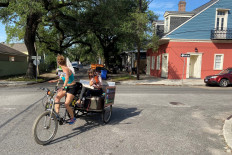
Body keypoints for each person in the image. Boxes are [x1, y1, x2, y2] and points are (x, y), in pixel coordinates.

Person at [49, 55, 78, 124]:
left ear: (58, 63)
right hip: (66, 87)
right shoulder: (61, 69)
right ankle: (57, 115)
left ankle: (73, 118)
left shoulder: (66, 69)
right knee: (57, 98)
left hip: (72, 88)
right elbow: (63, 78)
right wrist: (55, 81)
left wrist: (63, 87)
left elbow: (67, 78)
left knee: (66, 104)